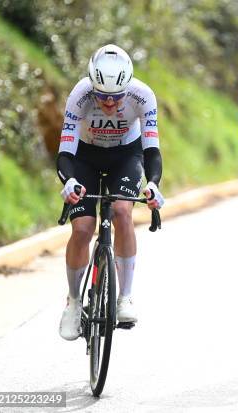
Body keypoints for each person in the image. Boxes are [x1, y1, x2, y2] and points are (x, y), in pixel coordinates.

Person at [57, 44, 165, 340]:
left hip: (125, 156)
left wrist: (153, 183)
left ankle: (124, 297)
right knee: (82, 228)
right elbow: (65, 152)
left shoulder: (143, 95)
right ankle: (74, 302)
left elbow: (152, 149)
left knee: (121, 211)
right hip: (85, 156)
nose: (108, 102)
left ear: (127, 88)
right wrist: (68, 181)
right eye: (101, 95)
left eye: (115, 97)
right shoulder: (80, 95)